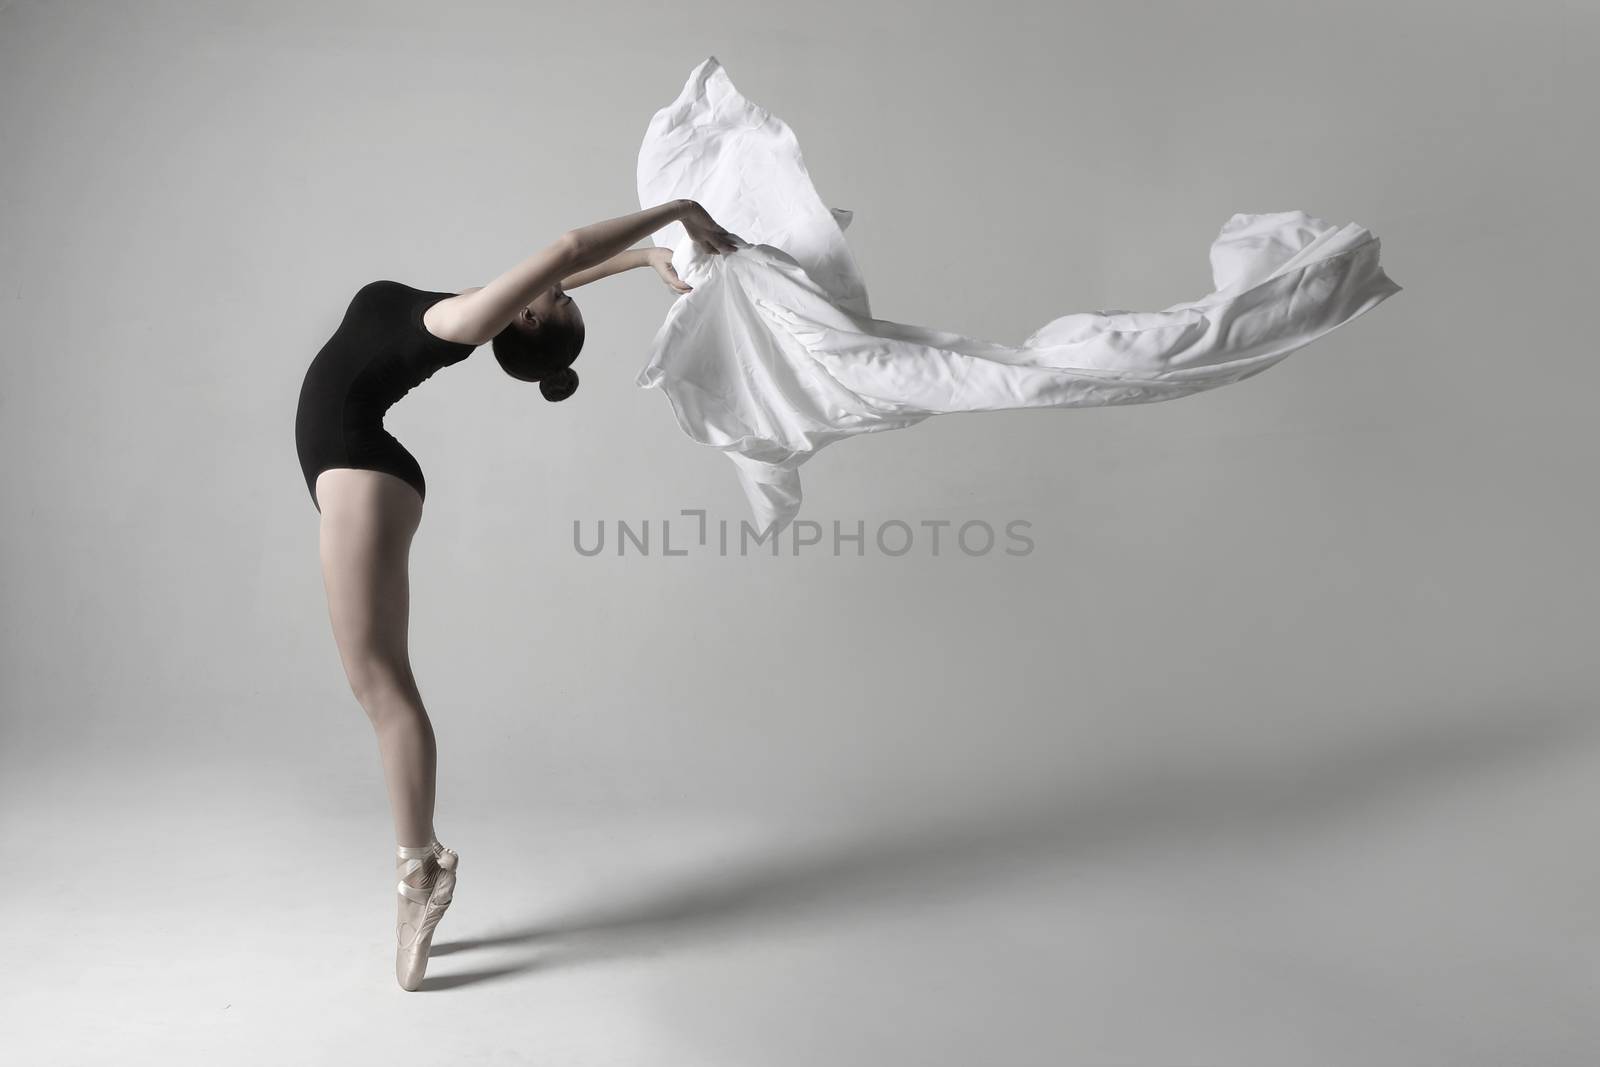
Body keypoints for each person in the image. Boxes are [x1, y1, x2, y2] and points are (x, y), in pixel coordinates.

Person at [294, 199, 743, 990]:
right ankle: (418, 861)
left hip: (362, 474)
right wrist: (640, 261)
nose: (558, 285)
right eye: (560, 292)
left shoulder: (465, 325)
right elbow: (565, 267)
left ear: (527, 322)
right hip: (358, 472)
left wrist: (679, 212)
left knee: (381, 686)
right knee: (376, 683)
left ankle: (418, 870)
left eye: (557, 298)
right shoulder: (475, 311)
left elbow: (565, 248)